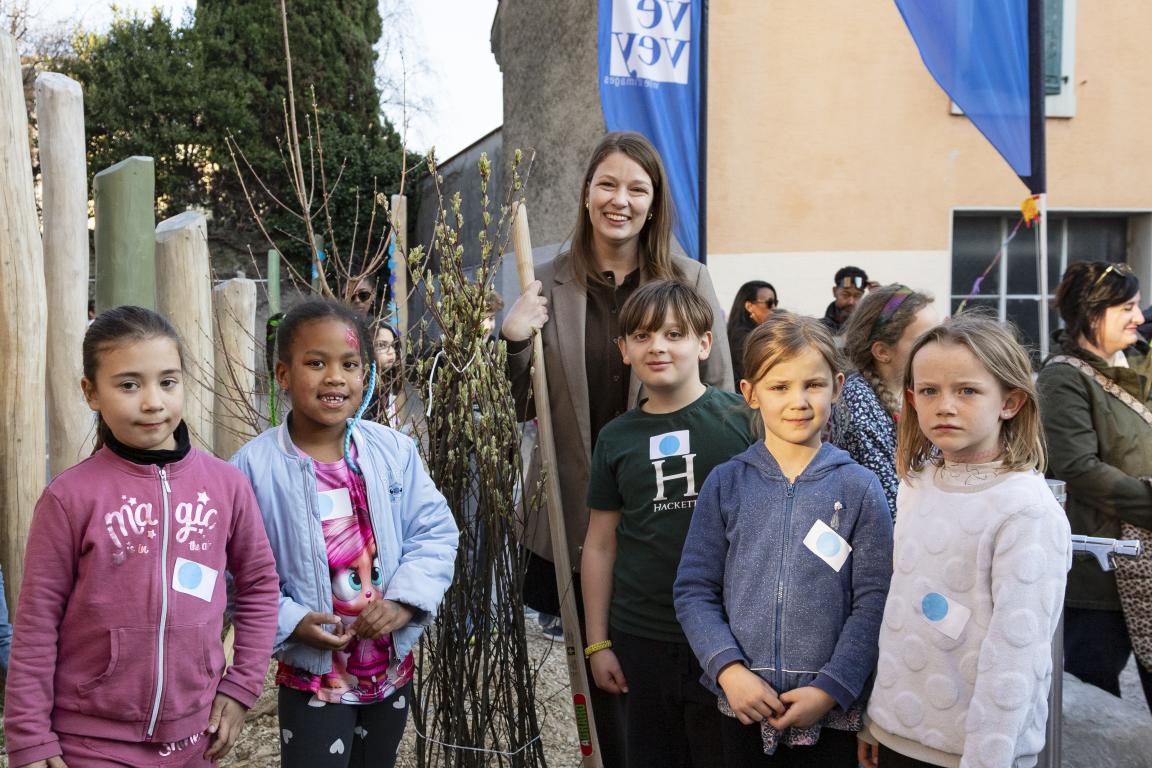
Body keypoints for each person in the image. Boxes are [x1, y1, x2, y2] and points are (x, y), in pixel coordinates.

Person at [502, 130, 733, 765]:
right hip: (575, 511)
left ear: (655, 202)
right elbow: (519, 406)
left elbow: (717, 399)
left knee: (671, 671)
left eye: (638, 188)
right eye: (607, 184)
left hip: (668, 514)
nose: (621, 200)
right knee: (597, 668)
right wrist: (516, 341)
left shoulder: (688, 279)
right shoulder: (545, 283)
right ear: (585, 194)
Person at [4, 306, 280, 768]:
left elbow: (260, 585)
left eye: (167, 382)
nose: (153, 401)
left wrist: (241, 686)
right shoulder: (69, 498)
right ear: (91, 393)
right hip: (89, 742)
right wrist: (29, 738)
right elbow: (36, 622)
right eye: (129, 385)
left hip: (196, 737)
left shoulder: (226, 486)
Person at [231, 298, 458, 768]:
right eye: (316, 363)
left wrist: (404, 602)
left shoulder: (393, 452)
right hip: (313, 677)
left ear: (365, 374)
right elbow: (237, 574)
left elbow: (434, 531)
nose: (335, 377)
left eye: (349, 364)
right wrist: (291, 620)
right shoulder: (251, 470)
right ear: (282, 375)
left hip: (391, 671)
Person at [675, 312, 893, 766]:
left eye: (812, 385)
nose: (798, 401)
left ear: (836, 386)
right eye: (779, 387)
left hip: (829, 714)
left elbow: (876, 601)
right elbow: (694, 589)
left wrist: (831, 687)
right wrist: (728, 670)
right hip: (741, 707)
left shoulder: (859, 488)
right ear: (750, 393)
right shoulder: (726, 483)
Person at [859, 313, 1070, 768]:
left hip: (973, 754)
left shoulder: (1026, 511)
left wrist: (986, 759)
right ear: (911, 399)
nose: (945, 406)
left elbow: (1015, 658)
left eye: (967, 390)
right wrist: (877, 720)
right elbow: (900, 614)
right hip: (899, 735)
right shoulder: (917, 483)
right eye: (930, 391)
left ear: (1010, 402)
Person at [582, 280, 757, 766]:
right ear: (623, 350)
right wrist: (598, 642)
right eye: (641, 336)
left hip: (729, 635)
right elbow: (599, 544)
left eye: (675, 334)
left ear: (704, 343)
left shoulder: (744, 421)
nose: (657, 346)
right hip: (642, 635)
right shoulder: (615, 439)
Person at [1037, 260, 1152, 710]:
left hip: (1144, 558)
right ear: (1091, 313)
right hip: (1098, 569)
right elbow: (1076, 467)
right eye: (1126, 307)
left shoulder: (1137, 363)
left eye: (1138, 306)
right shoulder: (1062, 378)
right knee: (1086, 706)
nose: (1138, 318)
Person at [830, 284, 938, 515]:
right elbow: (888, 505)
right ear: (882, 352)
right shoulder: (857, 402)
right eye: (926, 340)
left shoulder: (924, 391)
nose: (939, 348)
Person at [727, 280, 778, 385]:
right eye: (769, 303)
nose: (774, 308)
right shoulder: (741, 337)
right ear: (749, 306)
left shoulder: (756, 332)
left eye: (775, 303)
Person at [820, 266, 869, 334]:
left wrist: (879, 299)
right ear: (834, 291)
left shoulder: (869, 329)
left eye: (857, 296)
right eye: (845, 295)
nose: (851, 302)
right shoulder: (819, 329)